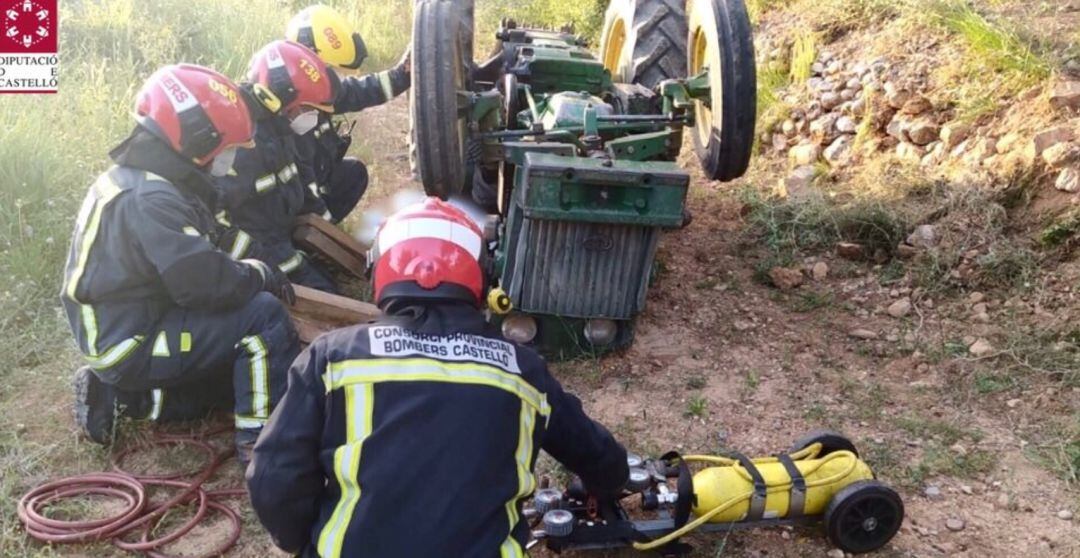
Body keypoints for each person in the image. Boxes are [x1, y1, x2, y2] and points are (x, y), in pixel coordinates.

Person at [247, 197, 629, 558]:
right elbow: (599, 457)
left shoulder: (332, 357)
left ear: (378, 270)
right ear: (482, 276)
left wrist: (303, 540)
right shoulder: (523, 370)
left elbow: (272, 476)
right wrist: (600, 486)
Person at [61, 64, 301, 460]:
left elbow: (211, 238)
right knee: (263, 319)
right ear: (198, 139)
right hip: (132, 339)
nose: (229, 159)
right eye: (226, 149)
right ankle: (262, 447)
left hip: (132, 322)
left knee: (240, 374)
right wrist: (257, 276)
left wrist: (265, 260)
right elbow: (204, 285)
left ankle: (119, 401)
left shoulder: (151, 177)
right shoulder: (151, 199)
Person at [215, 40, 342, 293]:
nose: (312, 117)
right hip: (260, 250)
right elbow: (217, 225)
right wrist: (265, 266)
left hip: (280, 234)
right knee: (327, 294)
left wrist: (330, 233)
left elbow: (299, 179)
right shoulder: (243, 144)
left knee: (328, 282)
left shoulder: (278, 127)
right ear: (280, 98)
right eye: (306, 109)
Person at [285, 4, 411, 222]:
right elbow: (303, 182)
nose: (337, 82)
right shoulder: (287, 111)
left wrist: (402, 74)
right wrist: (324, 228)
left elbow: (360, 91)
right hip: (286, 201)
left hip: (314, 178)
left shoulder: (317, 87)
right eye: (334, 73)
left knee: (353, 173)